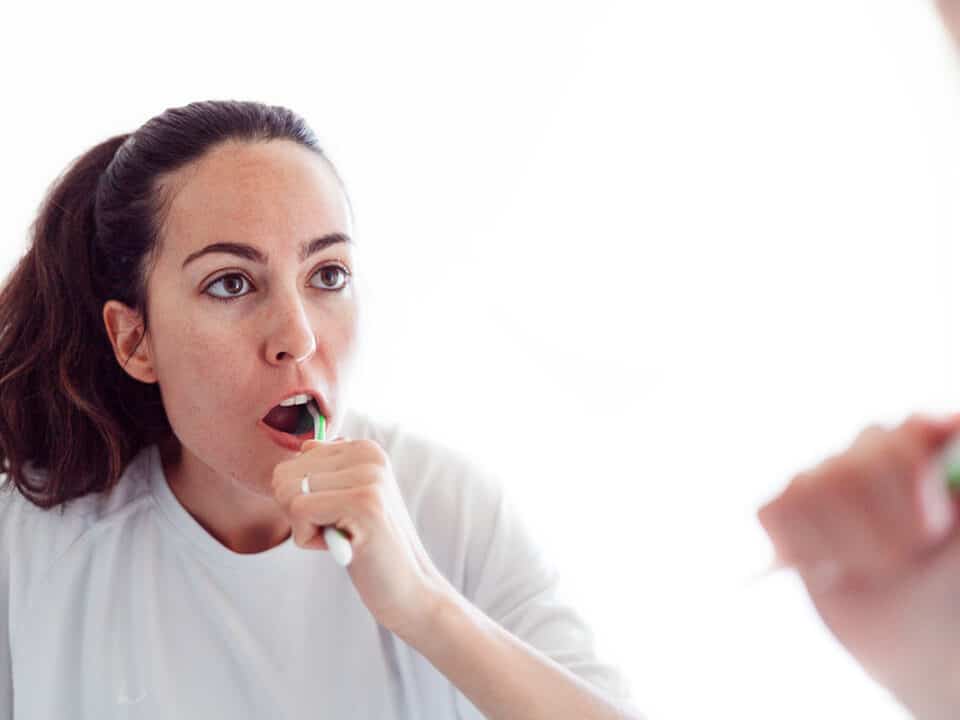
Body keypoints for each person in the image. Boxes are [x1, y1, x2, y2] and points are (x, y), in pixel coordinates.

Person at [0, 101, 641, 719]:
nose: (298, 337)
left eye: (328, 275)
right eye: (231, 283)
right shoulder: (29, 549)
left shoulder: (453, 509)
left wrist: (424, 605)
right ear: (135, 341)